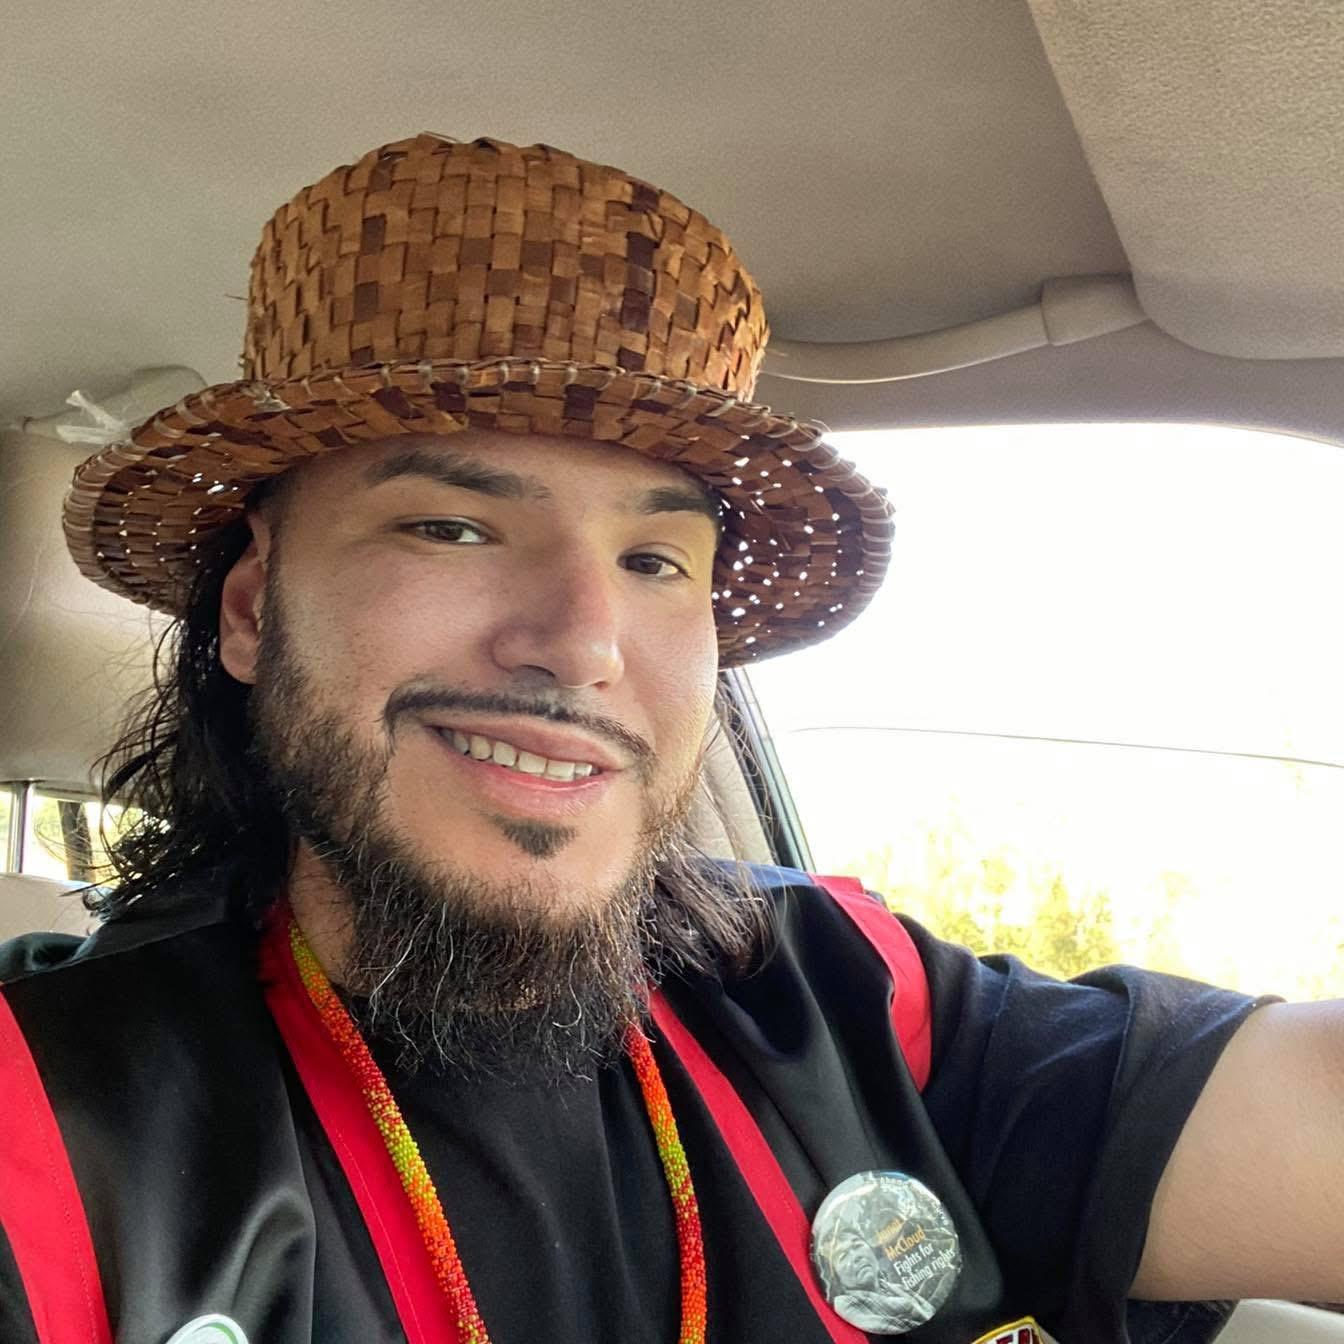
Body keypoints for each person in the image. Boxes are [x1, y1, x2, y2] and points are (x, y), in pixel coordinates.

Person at [0, 132, 1339, 1344]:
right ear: (250, 612)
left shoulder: (836, 1001)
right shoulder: (54, 1126)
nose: (584, 640)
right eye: (451, 527)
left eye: (655, 560)